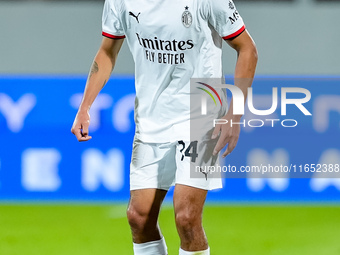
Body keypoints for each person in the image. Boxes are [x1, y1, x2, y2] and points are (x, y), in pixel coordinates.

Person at [71, 0, 257, 254]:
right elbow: (107, 51)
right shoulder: (120, 1)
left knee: (187, 218)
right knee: (139, 217)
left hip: (201, 112)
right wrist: (85, 107)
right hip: (151, 116)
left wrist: (234, 114)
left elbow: (247, 48)